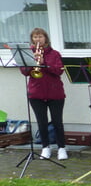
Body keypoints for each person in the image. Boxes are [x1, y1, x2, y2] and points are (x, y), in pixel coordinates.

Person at [20, 28, 67, 161]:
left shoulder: (55, 54)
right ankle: (45, 147)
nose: (38, 39)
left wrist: (44, 63)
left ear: (46, 38)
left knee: (58, 122)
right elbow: (24, 72)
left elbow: (59, 71)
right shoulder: (28, 53)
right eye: (35, 37)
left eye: (40, 37)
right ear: (32, 39)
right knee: (42, 122)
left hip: (55, 93)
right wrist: (32, 62)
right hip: (36, 93)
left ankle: (61, 148)